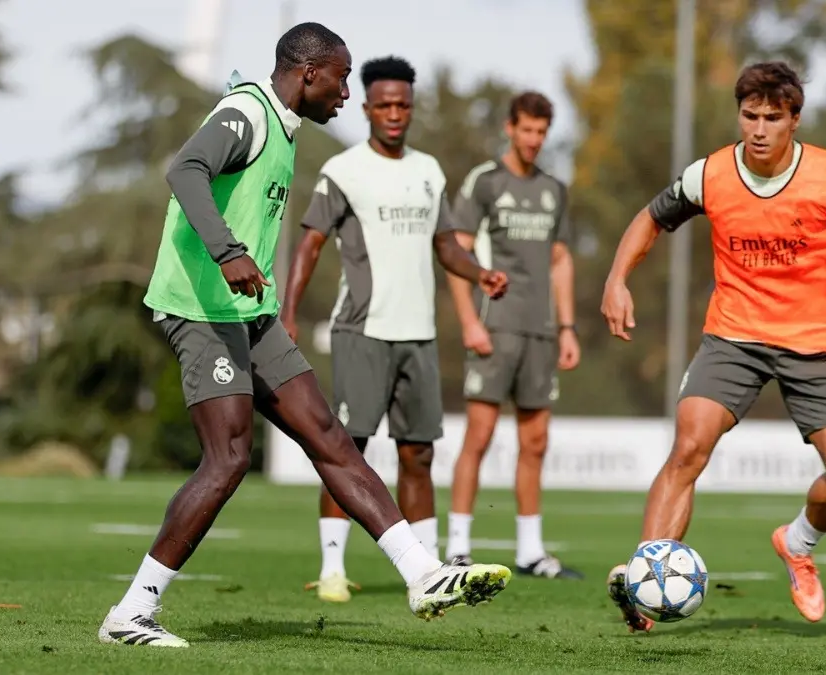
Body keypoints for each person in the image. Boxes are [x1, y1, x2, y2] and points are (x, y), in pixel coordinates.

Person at [98, 27, 511, 648]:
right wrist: (228, 253)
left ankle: (422, 572)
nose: (348, 92)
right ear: (309, 73)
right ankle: (131, 612)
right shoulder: (247, 114)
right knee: (230, 457)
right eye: (342, 79)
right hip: (202, 311)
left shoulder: (284, 127)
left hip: (249, 315)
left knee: (331, 438)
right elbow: (184, 169)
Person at [600, 61, 826, 631]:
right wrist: (617, 279)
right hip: (733, 337)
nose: (759, 129)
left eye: (772, 117)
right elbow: (648, 219)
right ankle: (647, 583)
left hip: (815, 345)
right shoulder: (711, 173)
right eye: (749, 116)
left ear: (795, 119)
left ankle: (797, 543)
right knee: (689, 447)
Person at [280, 55, 511, 604]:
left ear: (412, 107)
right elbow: (310, 243)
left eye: (402, 105)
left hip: (419, 336)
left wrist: (480, 273)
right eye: (383, 105)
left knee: (418, 455)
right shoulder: (344, 170)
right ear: (366, 108)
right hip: (362, 332)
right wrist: (287, 313)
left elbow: (445, 245)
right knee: (347, 449)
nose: (393, 113)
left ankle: (426, 572)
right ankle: (332, 568)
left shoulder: (429, 171)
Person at [441, 92, 583, 580]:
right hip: (494, 326)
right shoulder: (485, 182)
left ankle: (530, 552)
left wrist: (567, 327)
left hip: (540, 332)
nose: (534, 140)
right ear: (510, 128)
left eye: (542, 132)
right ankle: (458, 547)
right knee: (478, 436)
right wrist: (469, 321)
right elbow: (458, 257)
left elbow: (561, 261)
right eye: (526, 130)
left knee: (536, 441)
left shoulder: (554, 190)